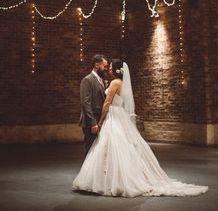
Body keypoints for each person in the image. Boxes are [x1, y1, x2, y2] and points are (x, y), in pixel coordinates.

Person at [73, 59, 209, 197]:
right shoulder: (124, 84)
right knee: (122, 147)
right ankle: (121, 178)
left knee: (110, 146)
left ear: (115, 70)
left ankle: (107, 180)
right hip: (120, 115)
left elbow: (107, 103)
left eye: (110, 67)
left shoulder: (114, 83)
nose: (108, 69)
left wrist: (101, 120)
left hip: (113, 115)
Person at [79, 54, 108, 157]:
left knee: (98, 152)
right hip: (91, 122)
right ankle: (87, 173)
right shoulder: (87, 80)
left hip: (99, 120)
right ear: (97, 65)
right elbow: (85, 103)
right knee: (90, 150)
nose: (105, 69)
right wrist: (93, 123)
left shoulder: (101, 80)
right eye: (104, 66)